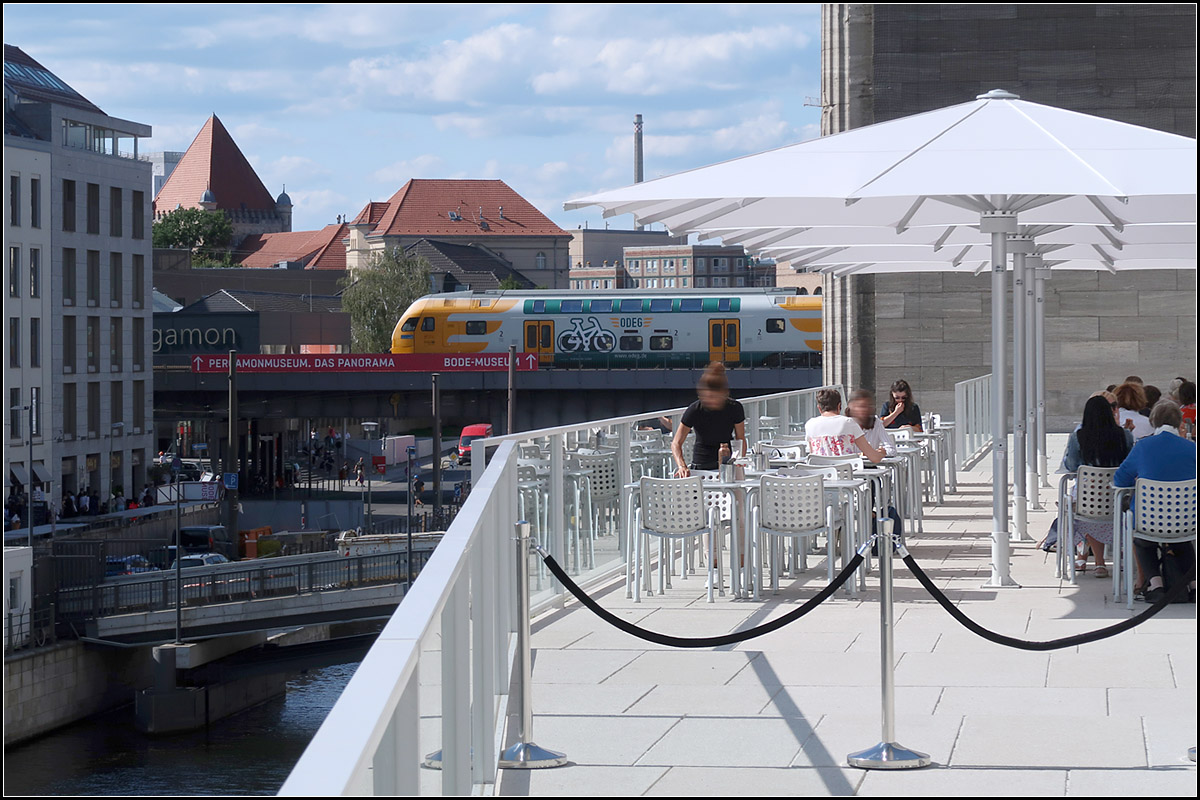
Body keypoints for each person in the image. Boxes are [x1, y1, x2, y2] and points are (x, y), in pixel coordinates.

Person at [1113, 400, 1196, 603]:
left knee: (1142, 540)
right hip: (1187, 520)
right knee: (1182, 539)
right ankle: (1193, 585)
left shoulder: (1143, 446)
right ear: (1179, 422)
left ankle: (1155, 584)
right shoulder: (1191, 448)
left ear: (1153, 421)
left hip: (1150, 519)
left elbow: (1119, 480)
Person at [1057, 394, 1134, 577]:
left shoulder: (1078, 437)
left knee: (1081, 500)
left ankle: (1092, 560)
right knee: (1096, 500)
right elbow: (1130, 464)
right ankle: (1106, 561)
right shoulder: (1125, 436)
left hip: (1089, 500)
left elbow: (1072, 466)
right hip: (1118, 501)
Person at [671, 362, 748, 476]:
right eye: (707, 397)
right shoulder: (695, 409)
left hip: (728, 465)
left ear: (723, 393)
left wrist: (740, 458)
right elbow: (676, 443)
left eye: (715, 397)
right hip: (701, 466)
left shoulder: (735, 408)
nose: (711, 401)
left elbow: (740, 439)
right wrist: (682, 466)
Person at [805, 388, 885, 464]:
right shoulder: (849, 422)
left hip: (820, 475)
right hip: (845, 474)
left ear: (819, 408)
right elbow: (874, 458)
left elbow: (812, 455)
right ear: (839, 406)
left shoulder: (810, 424)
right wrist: (881, 453)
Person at [848, 389, 896, 457]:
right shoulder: (845, 425)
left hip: (870, 465)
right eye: (861, 406)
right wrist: (860, 455)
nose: (865, 410)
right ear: (852, 407)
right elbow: (840, 454)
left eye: (868, 406)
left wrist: (882, 452)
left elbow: (892, 450)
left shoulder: (876, 423)